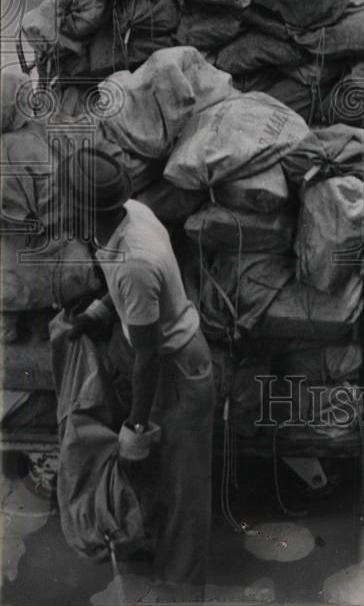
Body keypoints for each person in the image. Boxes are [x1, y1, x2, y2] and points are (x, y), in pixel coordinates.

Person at [67, 147, 214, 600]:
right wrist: (99, 311)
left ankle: (181, 593)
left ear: (85, 209)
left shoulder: (133, 260)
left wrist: (134, 426)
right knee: (163, 479)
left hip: (179, 367)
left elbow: (148, 356)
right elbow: (128, 294)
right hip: (165, 357)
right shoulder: (130, 214)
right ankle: (163, 567)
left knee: (184, 492)